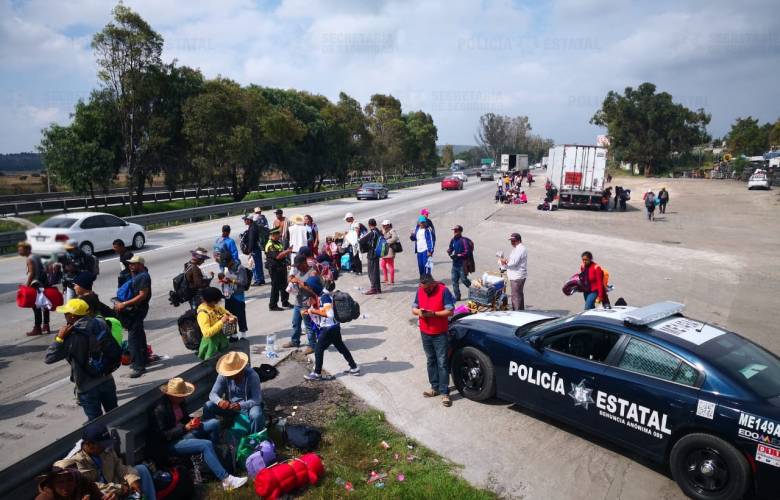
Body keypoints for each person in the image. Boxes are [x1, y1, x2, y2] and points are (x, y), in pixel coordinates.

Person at [151, 377, 248, 491]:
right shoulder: (159, 409)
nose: (184, 397)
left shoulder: (179, 403)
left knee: (214, 423)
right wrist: (185, 428)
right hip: (170, 444)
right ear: (172, 395)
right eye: (181, 396)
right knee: (205, 444)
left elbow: (184, 419)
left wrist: (192, 422)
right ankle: (226, 480)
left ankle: (216, 461)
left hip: (183, 433)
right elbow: (162, 436)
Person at [45, 299, 118, 421]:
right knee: (116, 416)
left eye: (66, 313)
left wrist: (59, 338)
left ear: (72, 316)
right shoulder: (100, 323)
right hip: (107, 378)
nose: (64, 315)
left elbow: (49, 357)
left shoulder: (71, 336)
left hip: (87, 386)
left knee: (96, 422)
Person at [54, 423, 156, 500]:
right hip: (102, 494)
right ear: (89, 445)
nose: (106, 447)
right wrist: (120, 488)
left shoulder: (105, 450)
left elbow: (119, 466)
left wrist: (132, 479)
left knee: (141, 469)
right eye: (102, 445)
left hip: (116, 485)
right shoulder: (75, 462)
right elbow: (92, 486)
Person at [303, 277, 359, 381]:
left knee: (318, 349)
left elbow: (329, 314)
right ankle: (354, 367)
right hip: (334, 327)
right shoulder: (322, 294)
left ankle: (317, 373)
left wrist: (313, 312)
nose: (308, 289)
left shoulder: (324, 297)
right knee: (341, 347)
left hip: (329, 328)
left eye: (309, 287)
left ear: (314, 287)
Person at [412, 274, 455, 407]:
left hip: (440, 333)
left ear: (432, 284)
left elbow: (450, 311)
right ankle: (434, 387)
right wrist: (419, 312)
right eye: (423, 288)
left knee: (442, 362)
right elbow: (414, 308)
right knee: (431, 360)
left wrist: (434, 314)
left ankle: (445, 392)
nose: (424, 291)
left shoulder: (443, 291)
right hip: (425, 332)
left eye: (427, 288)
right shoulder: (420, 290)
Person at [204, 351, 265, 434]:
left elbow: (257, 399)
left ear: (242, 370)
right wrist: (219, 401)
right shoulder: (223, 375)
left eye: (235, 374)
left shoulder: (252, 376)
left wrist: (240, 405)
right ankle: (213, 436)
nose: (232, 376)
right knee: (208, 405)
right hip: (230, 408)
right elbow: (213, 394)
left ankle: (254, 439)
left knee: (256, 415)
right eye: (230, 374)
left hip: (248, 407)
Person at [114, 255, 150, 378]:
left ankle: (138, 367)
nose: (130, 265)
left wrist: (124, 304)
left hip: (137, 310)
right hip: (134, 310)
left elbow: (142, 295)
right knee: (139, 334)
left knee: (133, 339)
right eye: (130, 263)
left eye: (133, 264)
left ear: (141, 264)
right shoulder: (136, 274)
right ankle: (144, 358)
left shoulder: (143, 276)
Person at [282, 254, 317, 353]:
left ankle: (312, 345)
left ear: (304, 263)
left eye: (298, 265)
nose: (297, 267)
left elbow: (312, 290)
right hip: (298, 301)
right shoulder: (299, 271)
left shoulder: (312, 273)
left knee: (308, 325)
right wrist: (291, 279)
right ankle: (295, 341)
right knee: (295, 323)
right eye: (296, 266)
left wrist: (297, 281)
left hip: (307, 302)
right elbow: (295, 280)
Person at [18, 240, 52, 336]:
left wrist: (27, 286)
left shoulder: (29, 258)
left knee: (36, 307)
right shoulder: (36, 256)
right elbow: (46, 269)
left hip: (36, 285)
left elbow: (32, 273)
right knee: (45, 305)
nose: (19, 252)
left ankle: (37, 328)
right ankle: (46, 325)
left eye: (21, 250)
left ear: (27, 249)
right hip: (44, 283)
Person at [196, 286, 236, 360]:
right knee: (214, 366)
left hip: (222, 341)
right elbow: (207, 333)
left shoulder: (216, 307)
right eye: (217, 300)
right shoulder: (203, 314)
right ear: (212, 301)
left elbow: (228, 314)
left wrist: (233, 318)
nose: (219, 302)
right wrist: (222, 322)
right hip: (211, 345)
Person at [219, 254, 249, 341]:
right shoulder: (226, 268)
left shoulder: (240, 268)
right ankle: (234, 335)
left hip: (238, 295)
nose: (226, 266)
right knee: (229, 315)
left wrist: (231, 280)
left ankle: (243, 334)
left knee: (240, 315)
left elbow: (243, 282)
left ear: (231, 261)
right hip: (228, 295)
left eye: (227, 264)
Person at [35, 466, 103, 500]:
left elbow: (100, 497)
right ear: (52, 484)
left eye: (70, 480)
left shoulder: (87, 486)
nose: (65, 486)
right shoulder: (44, 498)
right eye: (60, 482)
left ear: (76, 480)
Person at [265, 228, 292, 311]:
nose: (280, 235)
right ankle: (273, 305)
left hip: (281, 267)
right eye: (278, 234)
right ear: (273, 235)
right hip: (274, 268)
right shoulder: (270, 245)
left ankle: (285, 302)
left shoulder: (278, 243)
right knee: (275, 287)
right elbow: (278, 256)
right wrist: (288, 251)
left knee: (284, 285)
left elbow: (282, 254)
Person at [499, 233, 528, 310]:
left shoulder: (520, 249)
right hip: (518, 275)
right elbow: (513, 261)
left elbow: (513, 263)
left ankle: (517, 313)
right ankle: (521, 311)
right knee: (519, 295)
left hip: (517, 277)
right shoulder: (518, 249)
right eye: (511, 241)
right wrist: (506, 261)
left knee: (515, 297)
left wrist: (503, 262)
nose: (512, 243)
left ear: (519, 241)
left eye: (514, 241)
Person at [446, 225, 472, 302]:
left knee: (464, 280)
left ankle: (474, 290)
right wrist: (449, 251)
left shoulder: (463, 241)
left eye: (456, 231)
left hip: (462, 265)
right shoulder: (453, 240)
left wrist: (458, 255)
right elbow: (451, 248)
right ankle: (457, 297)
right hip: (454, 265)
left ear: (460, 231)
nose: (454, 232)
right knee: (454, 281)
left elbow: (467, 252)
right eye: (454, 230)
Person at [361, 218, 382, 295]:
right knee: (376, 271)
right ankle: (378, 288)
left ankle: (373, 288)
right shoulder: (378, 231)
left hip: (372, 254)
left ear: (369, 225)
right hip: (377, 253)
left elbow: (361, 241)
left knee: (371, 272)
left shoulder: (372, 233)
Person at [246, 212, 267, 286]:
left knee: (255, 265)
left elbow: (251, 239)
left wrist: (249, 249)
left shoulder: (252, 228)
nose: (245, 221)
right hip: (257, 248)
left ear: (249, 220)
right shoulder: (254, 226)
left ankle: (258, 280)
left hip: (254, 248)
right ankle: (261, 279)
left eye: (246, 219)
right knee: (258, 264)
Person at [380, 220, 399, 285]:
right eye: (383, 225)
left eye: (384, 225)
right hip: (384, 250)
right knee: (382, 265)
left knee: (390, 266)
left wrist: (387, 241)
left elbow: (395, 238)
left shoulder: (392, 230)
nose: (383, 226)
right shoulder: (384, 230)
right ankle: (386, 279)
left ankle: (391, 280)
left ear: (388, 225)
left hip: (390, 250)